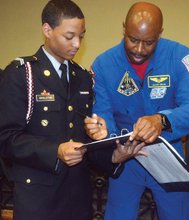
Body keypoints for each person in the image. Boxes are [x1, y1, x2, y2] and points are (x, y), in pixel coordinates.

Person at [0, 1, 147, 220]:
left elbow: (83, 142)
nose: (77, 44)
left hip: (77, 197)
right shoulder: (23, 74)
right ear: (47, 30)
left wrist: (114, 155)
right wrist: (55, 151)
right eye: (69, 37)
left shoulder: (83, 78)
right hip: (37, 199)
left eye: (82, 36)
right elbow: (6, 139)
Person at [85, 2, 189, 220]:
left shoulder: (181, 57)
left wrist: (162, 120)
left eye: (149, 42)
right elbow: (103, 114)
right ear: (124, 29)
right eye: (133, 39)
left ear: (160, 34)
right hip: (127, 159)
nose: (139, 49)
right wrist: (107, 137)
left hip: (168, 156)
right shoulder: (103, 64)